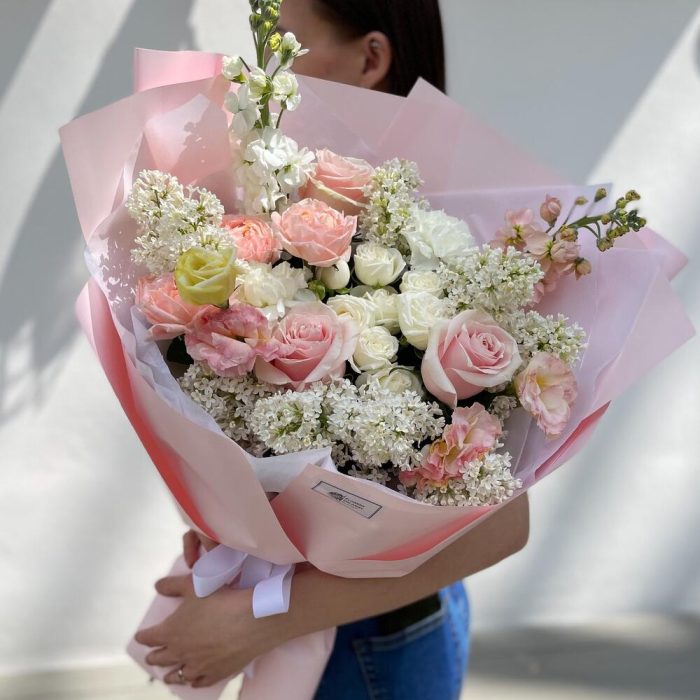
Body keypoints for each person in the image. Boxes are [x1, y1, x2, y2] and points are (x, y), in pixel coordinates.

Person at [135, 1, 530, 698]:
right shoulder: (284, 206)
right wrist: (234, 530)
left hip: (375, 639)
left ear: (371, 57)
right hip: (324, 619)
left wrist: (261, 618)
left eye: (287, 43)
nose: (264, 70)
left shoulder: (442, 240)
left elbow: (502, 527)